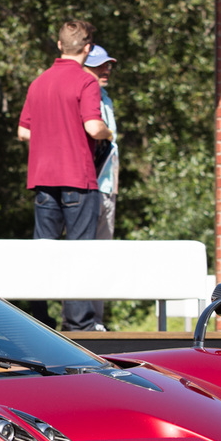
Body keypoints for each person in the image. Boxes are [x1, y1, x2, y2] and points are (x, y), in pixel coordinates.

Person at [17, 20, 112, 332]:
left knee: (43, 250)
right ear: (86, 49)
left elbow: (23, 131)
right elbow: (93, 127)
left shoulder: (38, 82)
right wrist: (110, 132)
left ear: (59, 45)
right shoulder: (86, 82)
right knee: (80, 251)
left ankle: (40, 321)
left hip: (43, 179)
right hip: (78, 178)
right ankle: (78, 324)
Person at [85, 45, 119, 331]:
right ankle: (84, 320)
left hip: (108, 187)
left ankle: (97, 320)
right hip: (89, 186)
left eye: (107, 65)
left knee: (102, 255)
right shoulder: (86, 94)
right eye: (98, 65)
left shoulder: (105, 97)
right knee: (86, 255)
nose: (105, 70)